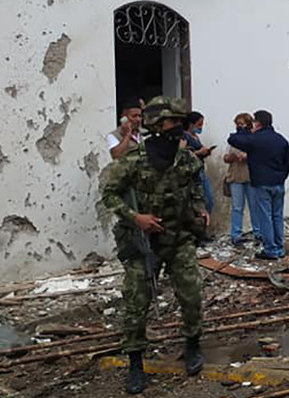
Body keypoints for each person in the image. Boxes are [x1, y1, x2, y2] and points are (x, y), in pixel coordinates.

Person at [100, 96, 209, 394]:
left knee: (191, 296)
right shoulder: (134, 159)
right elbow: (109, 195)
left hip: (180, 238)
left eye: (179, 122)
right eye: (173, 122)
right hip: (144, 242)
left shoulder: (186, 158)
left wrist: (201, 208)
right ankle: (136, 361)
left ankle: (192, 345)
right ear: (158, 126)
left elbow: (196, 186)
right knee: (136, 304)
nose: (178, 127)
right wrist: (136, 217)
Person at [228, 110, 289, 261]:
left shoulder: (255, 139)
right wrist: (282, 177)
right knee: (277, 216)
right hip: (278, 183)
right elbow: (288, 160)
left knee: (265, 216)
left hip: (262, 183)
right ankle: (279, 247)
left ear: (257, 123)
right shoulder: (281, 139)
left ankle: (270, 249)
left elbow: (233, 139)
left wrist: (244, 130)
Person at [223, 113, 260, 247]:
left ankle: (258, 232)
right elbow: (225, 157)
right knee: (237, 207)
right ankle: (236, 235)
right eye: (237, 124)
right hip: (236, 177)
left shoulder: (254, 139)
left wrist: (247, 156)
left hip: (251, 177)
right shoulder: (233, 139)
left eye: (242, 123)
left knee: (254, 207)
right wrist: (232, 157)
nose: (239, 126)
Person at [184, 111, 216, 216]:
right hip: (192, 172)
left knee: (209, 199)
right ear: (191, 124)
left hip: (200, 169)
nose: (201, 127)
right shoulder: (185, 136)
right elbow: (184, 153)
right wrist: (198, 153)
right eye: (199, 124)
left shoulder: (196, 137)